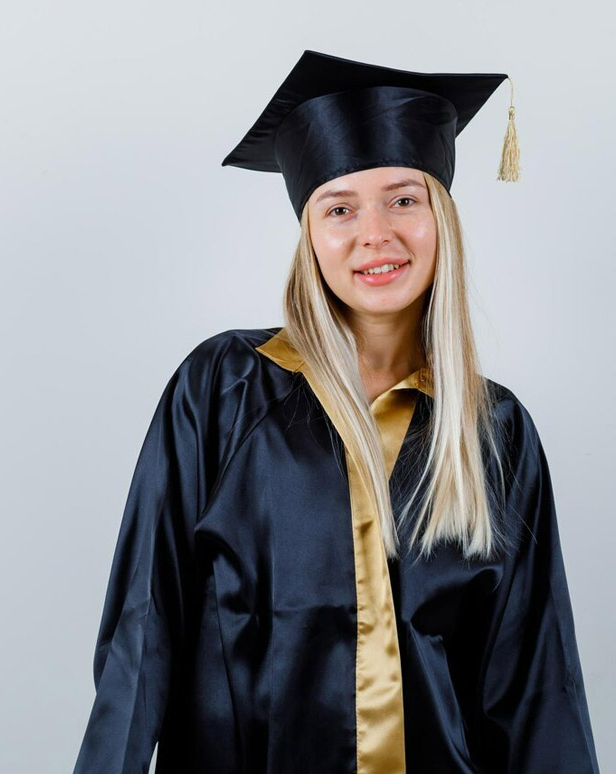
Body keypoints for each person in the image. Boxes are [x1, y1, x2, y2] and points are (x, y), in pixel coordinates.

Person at [72, 50, 601, 773]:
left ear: (441, 218)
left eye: (403, 200)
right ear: (310, 236)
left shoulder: (493, 431)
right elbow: (143, 632)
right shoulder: (222, 390)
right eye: (340, 208)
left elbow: (537, 688)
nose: (374, 233)